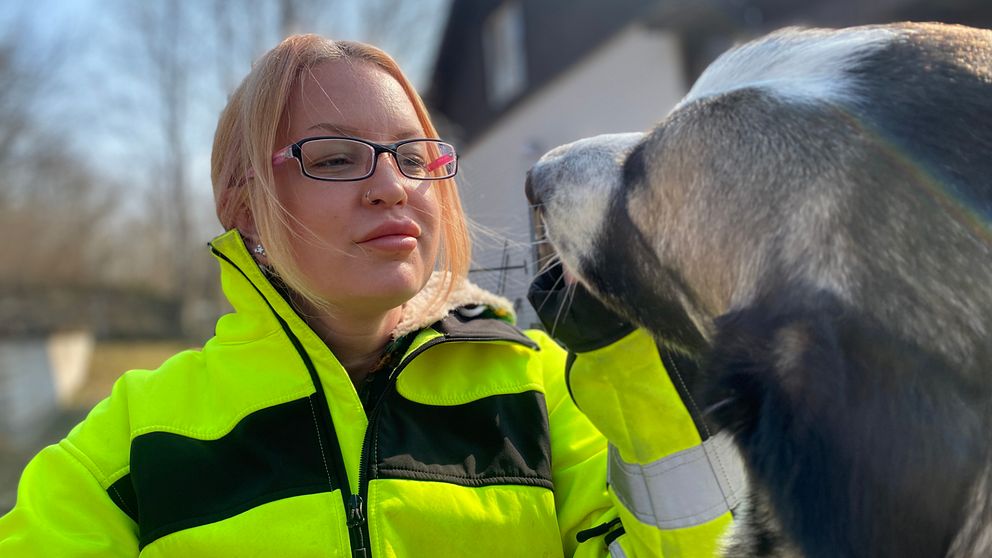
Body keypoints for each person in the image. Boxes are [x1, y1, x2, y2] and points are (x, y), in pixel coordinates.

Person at [0, 35, 738, 556]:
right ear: (245, 205)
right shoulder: (132, 443)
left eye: (413, 157)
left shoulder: (547, 387)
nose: (392, 186)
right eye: (335, 158)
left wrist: (636, 366)